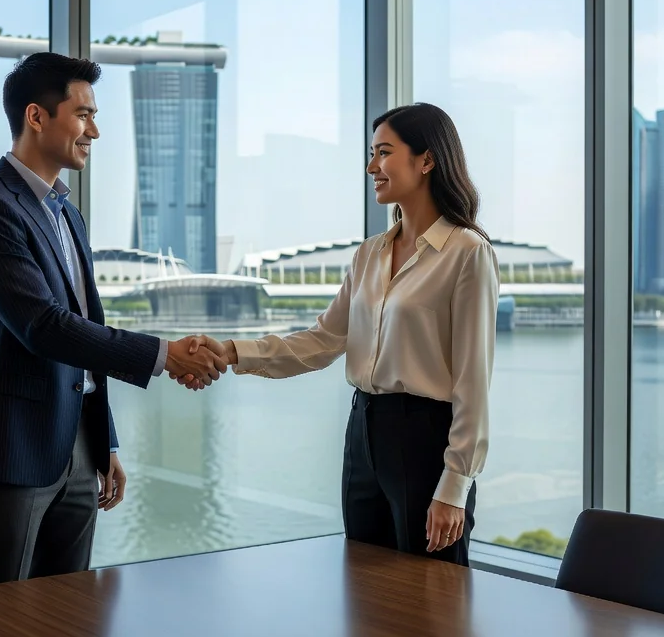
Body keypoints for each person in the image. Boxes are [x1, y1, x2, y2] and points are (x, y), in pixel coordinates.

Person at [0, 52, 227, 637]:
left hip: (73, 446)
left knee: (60, 625)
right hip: (5, 444)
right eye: (84, 113)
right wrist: (165, 354)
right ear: (38, 116)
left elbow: (85, 329)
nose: (95, 129)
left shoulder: (65, 209)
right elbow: (41, 326)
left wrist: (107, 442)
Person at [180, 103, 499, 564]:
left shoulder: (467, 253)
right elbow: (322, 341)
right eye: (372, 154)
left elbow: (474, 383)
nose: (372, 167)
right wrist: (231, 352)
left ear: (426, 160)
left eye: (384, 153)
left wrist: (455, 485)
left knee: (432, 603)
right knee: (367, 589)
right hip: (364, 432)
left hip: (427, 440)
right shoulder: (370, 254)